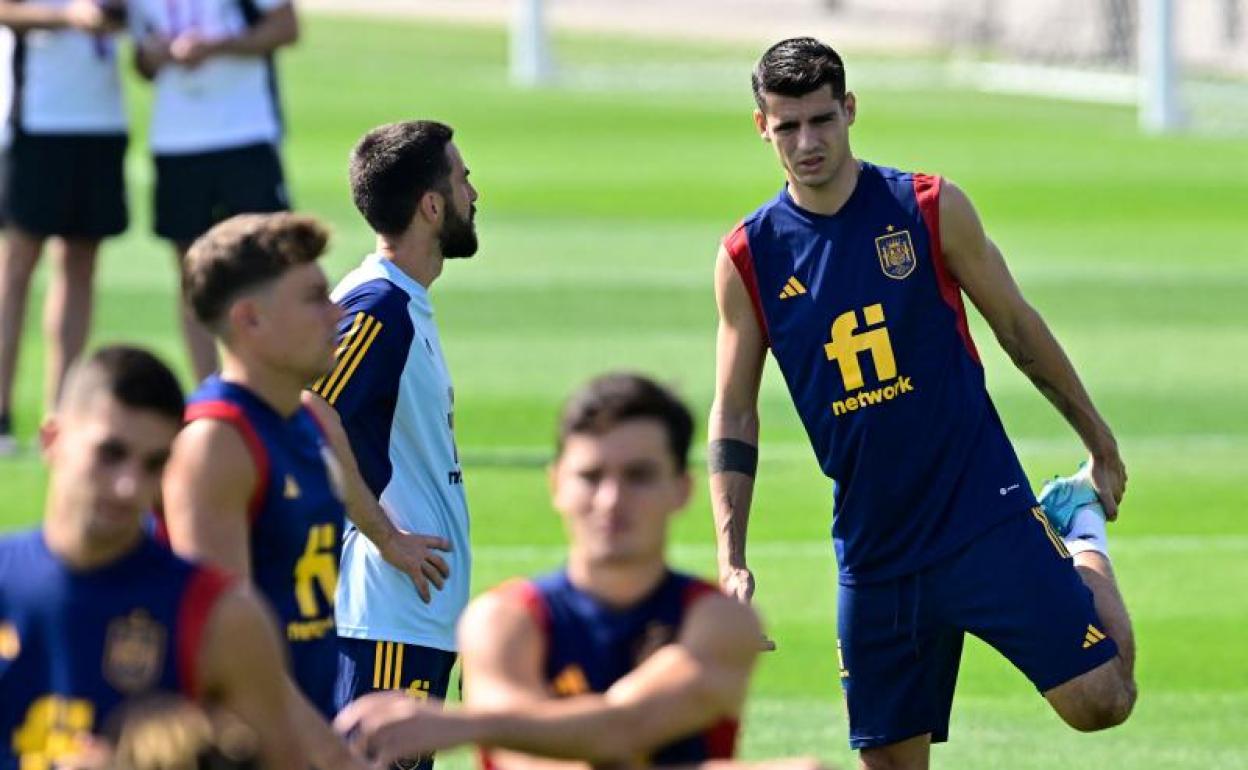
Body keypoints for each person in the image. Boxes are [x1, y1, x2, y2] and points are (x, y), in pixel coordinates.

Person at [708, 37, 1137, 769]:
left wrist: (1098, 444)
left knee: (1102, 702)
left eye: (822, 120)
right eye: (788, 126)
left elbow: (1017, 327)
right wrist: (732, 558)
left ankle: (1078, 524)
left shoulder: (927, 207)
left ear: (849, 110)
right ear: (762, 127)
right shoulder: (750, 256)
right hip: (876, 549)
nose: (807, 143)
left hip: (983, 512)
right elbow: (735, 412)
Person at [334, 373, 763, 770]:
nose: (612, 500)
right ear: (557, 484)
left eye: (640, 476)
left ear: (681, 488)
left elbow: (626, 729)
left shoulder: (717, 620)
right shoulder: (502, 622)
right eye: (591, 477)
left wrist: (471, 725)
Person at [160, 213, 447, 770]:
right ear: (251, 320)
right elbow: (224, 649)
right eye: (314, 298)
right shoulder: (218, 445)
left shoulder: (306, 424)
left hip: (296, 730)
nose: (338, 313)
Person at [0, 345, 304, 770]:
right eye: (110, 454)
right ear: (52, 441)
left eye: (154, 464)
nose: (129, 486)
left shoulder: (221, 615)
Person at [305, 121, 475, 767]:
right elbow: (312, 407)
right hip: (386, 615)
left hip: (411, 617)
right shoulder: (379, 306)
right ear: (431, 206)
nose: (472, 192)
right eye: (461, 180)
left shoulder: (401, 301)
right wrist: (385, 536)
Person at [127, 0, 299, 381]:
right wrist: (153, 56)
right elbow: (140, 61)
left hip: (245, 132)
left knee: (270, 264)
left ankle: (272, 386)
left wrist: (217, 46)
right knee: (193, 273)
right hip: (176, 139)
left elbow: (286, 27)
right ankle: (210, 393)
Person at [0, 0, 129, 453]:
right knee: (17, 264)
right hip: (36, 115)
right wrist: (68, 17)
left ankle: (59, 413)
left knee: (79, 265)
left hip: (100, 119)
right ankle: (0, 412)